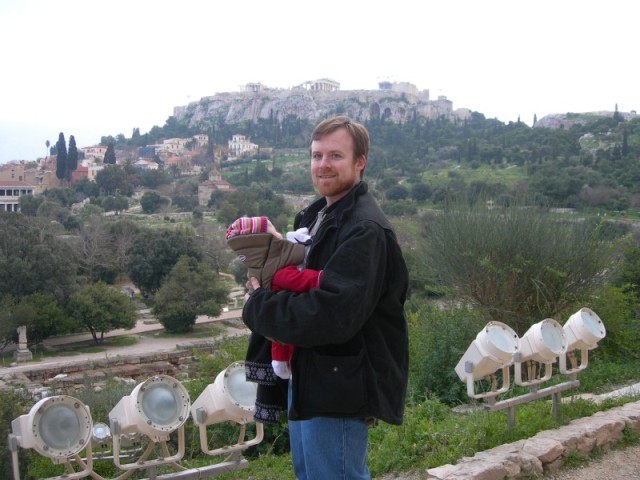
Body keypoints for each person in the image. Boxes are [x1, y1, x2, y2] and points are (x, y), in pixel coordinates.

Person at [243, 115, 409, 479]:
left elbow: (331, 314)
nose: (323, 165)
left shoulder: (364, 229)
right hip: (311, 376)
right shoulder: (321, 214)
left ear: (360, 161)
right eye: (317, 156)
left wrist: (259, 305)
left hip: (339, 384)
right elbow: (303, 280)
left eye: (335, 155)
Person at [226, 216, 320, 379]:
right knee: (288, 342)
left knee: (279, 341)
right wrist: (323, 278)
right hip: (288, 318)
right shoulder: (276, 268)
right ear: (266, 239)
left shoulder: (256, 267)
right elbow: (300, 278)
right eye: (273, 231)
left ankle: (281, 363)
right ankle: (285, 363)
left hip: (272, 319)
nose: (278, 235)